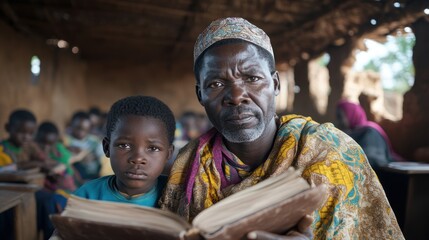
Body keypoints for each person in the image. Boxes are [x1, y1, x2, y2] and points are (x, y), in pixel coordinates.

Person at [159, 17, 403, 239]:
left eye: (252, 78)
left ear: (275, 84)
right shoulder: (188, 161)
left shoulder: (330, 154)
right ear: (200, 95)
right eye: (216, 83)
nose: (236, 96)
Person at [72, 95, 175, 206]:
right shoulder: (86, 196)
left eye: (153, 148)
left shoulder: (177, 198)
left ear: (168, 154)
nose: (137, 159)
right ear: (107, 148)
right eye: (124, 145)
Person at [336, 99, 398, 170]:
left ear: (351, 115)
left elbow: (370, 163)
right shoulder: (352, 134)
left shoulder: (369, 132)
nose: (337, 121)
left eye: (340, 117)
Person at [35, 121, 77, 192]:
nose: (46, 148)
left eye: (50, 144)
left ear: (55, 142)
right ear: (37, 139)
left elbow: (69, 167)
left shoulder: (58, 150)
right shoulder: (36, 153)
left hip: (68, 186)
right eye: (43, 143)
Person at [63, 111, 104, 183]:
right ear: (71, 125)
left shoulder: (94, 141)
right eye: (78, 128)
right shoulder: (66, 140)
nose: (81, 132)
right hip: (76, 176)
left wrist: (93, 157)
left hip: (95, 175)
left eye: (85, 129)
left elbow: (102, 158)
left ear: (89, 128)